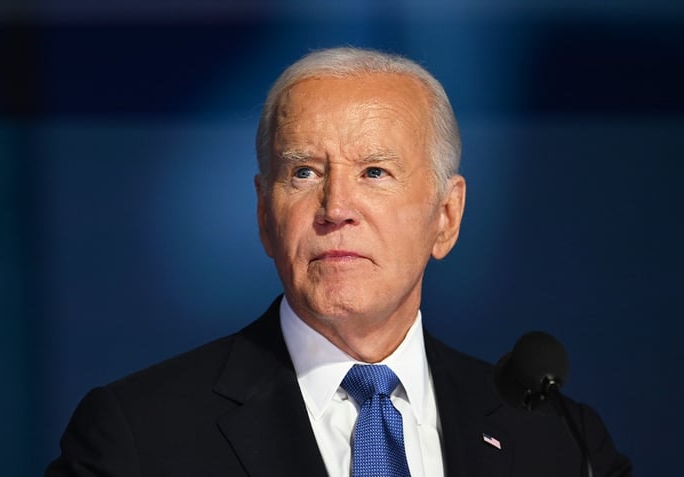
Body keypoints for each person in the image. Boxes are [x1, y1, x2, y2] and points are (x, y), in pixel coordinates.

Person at [46, 47, 631, 476]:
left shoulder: (557, 442)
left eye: (374, 172)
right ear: (263, 215)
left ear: (446, 217)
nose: (335, 208)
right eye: (304, 173)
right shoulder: (138, 438)